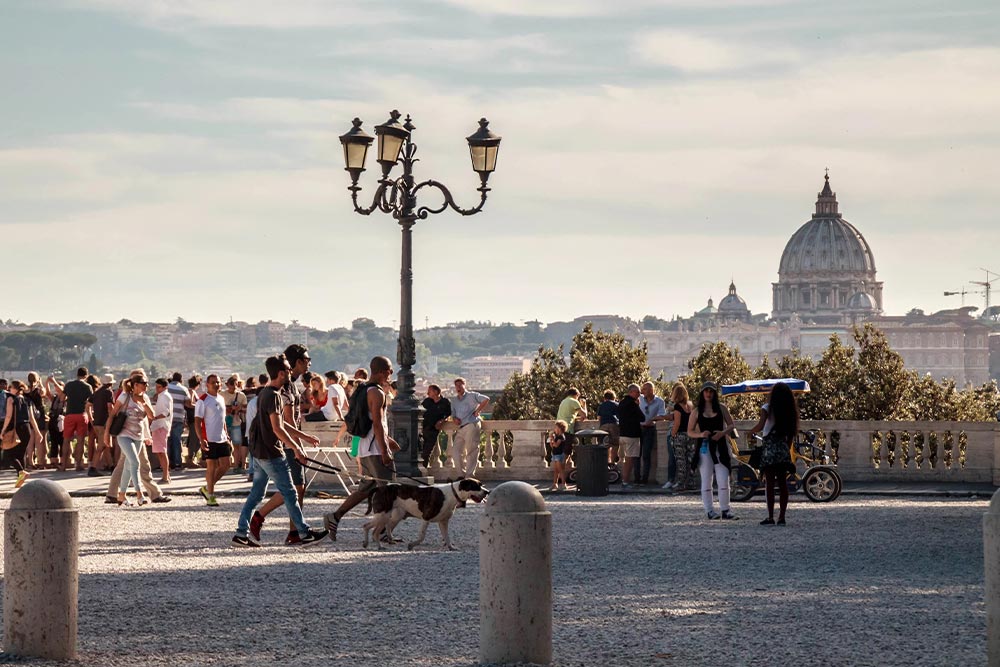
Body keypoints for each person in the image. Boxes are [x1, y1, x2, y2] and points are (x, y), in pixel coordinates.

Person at [232, 355, 328, 547]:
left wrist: (305, 437)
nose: (290, 373)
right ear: (281, 373)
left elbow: (280, 424)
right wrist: (296, 449)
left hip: (259, 452)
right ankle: (303, 533)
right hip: (271, 453)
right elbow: (278, 428)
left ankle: (241, 534)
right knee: (290, 492)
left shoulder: (265, 394)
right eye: (288, 370)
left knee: (257, 494)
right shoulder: (274, 395)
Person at [322, 355, 399, 542]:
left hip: (365, 448)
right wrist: (384, 450)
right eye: (389, 371)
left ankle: (335, 517)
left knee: (365, 490)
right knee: (389, 491)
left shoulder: (363, 389)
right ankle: (381, 531)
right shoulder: (378, 393)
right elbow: (378, 424)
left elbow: (371, 422)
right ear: (381, 371)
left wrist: (387, 440)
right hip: (374, 450)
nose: (391, 374)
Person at [251, 344, 322, 545]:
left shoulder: (290, 384)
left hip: (284, 442)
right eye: (307, 359)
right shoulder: (286, 386)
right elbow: (286, 422)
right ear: (298, 361)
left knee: (294, 488)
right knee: (294, 488)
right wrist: (298, 445)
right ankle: (285, 528)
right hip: (285, 443)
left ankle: (292, 531)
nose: (309, 363)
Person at [749, 382, 799, 526]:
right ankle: (782, 516)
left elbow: (760, 425)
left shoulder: (767, 408)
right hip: (782, 448)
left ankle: (770, 516)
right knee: (783, 484)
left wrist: (750, 432)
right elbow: (790, 436)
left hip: (770, 448)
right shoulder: (789, 412)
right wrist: (786, 450)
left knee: (769, 484)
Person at [688, 381, 738, 520]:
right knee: (706, 479)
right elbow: (690, 431)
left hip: (720, 446)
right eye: (706, 391)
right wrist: (701, 434)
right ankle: (709, 509)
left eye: (711, 391)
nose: (708, 394)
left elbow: (731, 424)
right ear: (702, 393)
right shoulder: (697, 411)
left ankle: (725, 509)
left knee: (723, 478)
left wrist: (722, 433)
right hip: (704, 447)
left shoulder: (721, 408)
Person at [106, 373, 155, 506]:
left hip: (138, 436)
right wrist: (107, 434)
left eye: (147, 383)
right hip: (124, 435)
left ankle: (121, 495)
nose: (146, 386)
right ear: (135, 385)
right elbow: (112, 415)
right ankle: (140, 494)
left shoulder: (144, 397)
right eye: (144, 383)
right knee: (135, 462)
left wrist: (143, 403)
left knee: (129, 466)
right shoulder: (124, 396)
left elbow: (152, 416)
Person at [195, 374, 232, 507]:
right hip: (209, 438)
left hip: (221, 438)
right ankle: (211, 495)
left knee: (226, 465)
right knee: (211, 467)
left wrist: (227, 435)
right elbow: (197, 421)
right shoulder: (203, 400)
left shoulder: (221, 399)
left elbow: (222, 419)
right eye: (213, 382)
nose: (216, 384)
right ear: (207, 384)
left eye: (218, 382)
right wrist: (201, 439)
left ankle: (206, 487)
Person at [52, 367, 93, 471]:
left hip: (69, 415)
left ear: (77, 374)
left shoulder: (69, 384)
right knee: (81, 440)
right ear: (86, 375)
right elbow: (91, 401)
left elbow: (62, 398)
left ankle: (63, 465)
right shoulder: (88, 386)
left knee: (66, 440)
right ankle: (78, 464)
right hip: (81, 414)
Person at [1, 380, 42, 485]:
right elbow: (32, 418)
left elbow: (9, 416)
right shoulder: (27, 400)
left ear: (14, 388)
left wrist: (3, 430)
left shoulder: (11, 399)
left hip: (16, 428)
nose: (9, 389)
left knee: (8, 454)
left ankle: (21, 472)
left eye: (10, 387)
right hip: (27, 428)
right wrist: (37, 432)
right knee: (21, 454)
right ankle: (21, 480)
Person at [451, 377, 490, 477]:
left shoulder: (472, 395)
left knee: (471, 451)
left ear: (465, 385)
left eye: (460, 385)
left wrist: (478, 411)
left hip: (471, 425)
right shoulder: (454, 400)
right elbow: (453, 414)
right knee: (455, 452)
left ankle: (469, 476)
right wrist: (454, 419)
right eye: (457, 385)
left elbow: (486, 399)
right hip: (460, 428)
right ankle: (461, 475)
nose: (458, 387)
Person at [664, 383, 695, 491]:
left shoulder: (677, 406)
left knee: (681, 460)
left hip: (680, 435)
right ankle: (690, 482)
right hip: (690, 435)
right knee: (690, 460)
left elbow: (677, 423)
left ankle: (680, 483)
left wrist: (673, 435)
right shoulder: (690, 406)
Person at [638, 382, 667, 485]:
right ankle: (637, 477)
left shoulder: (659, 401)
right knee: (636, 454)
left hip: (650, 429)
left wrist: (652, 420)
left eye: (645, 389)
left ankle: (645, 478)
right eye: (643, 389)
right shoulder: (639, 399)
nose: (643, 391)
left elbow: (662, 416)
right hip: (638, 428)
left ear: (651, 390)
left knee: (646, 454)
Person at [88, 374, 116, 474]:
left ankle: (112, 466)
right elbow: (110, 406)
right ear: (110, 383)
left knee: (105, 445)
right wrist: (113, 417)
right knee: (101, 446)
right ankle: (93, 467)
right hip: (104, 422)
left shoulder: (97, 392)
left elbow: (88, 405)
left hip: (97, 422)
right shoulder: (109, 392)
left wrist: (91, 418)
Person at [617, 384, 643, 489]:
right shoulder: (632, 404)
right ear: (631, 392)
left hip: (622, 434)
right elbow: (642, 417)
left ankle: (624, 480)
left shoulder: (621, 403)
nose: (639, 394)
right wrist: (637, 405)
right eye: (638, 392)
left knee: (624, 459)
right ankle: (625, 482)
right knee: (629, 460)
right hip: (632, 435)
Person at [420, 384, 451, 468]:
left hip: (433, 430)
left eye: (429, 391)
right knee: (420, 450)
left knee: (426, 452)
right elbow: (420, 412)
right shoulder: (427, 402)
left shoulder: (445, 402)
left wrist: (442, 421)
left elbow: (449, 414)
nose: (427, 393)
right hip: (423, 428)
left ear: (436, 392)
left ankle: (423, 469)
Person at [221, 375, 248, 473]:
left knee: (237, 445)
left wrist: (239, 409)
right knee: (225, 445)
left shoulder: (241, 396)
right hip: (225, 422)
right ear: (227, 385)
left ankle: (237, 465)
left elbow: (246, 409)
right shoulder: (222, 395)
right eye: (231, 385)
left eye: (235, 385)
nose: (233, 387)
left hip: (236, 422)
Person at [150, 378, 173, 484]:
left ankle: (165, 476)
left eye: (159, 387)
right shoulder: (162, 396)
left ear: (165, 387)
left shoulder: (164, 396)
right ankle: (166, 475)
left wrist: (154, 418)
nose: (157, 389)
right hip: (159, 426)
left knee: (162, 452)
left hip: (161, 425)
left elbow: (165, 412)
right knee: (160, 452)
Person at [165, 372, 188, 471]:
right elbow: (188, 403)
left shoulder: (166, 388)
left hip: (167, 417)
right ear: (181, 379)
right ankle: (178, 463)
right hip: (178, 417)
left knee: (167, 440)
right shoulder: (183, 389)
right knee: (176, 440)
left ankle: (168, 463)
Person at [596, 390, 619, 467]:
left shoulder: (601, 405)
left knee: (604, 444)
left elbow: (599, 418)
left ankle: (605, 461)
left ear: (605, 398)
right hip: (613, 424)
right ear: (613, 397)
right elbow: (620, 416)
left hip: (603, 425)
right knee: (615, 444)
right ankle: (612, 462)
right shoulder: (616, 404)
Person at [547, 419, 570, 491]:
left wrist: (553, 440)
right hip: (555, 454)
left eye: (556, 428)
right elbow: (552, 446)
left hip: (559, 455)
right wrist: (551, 439)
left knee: (560, 470)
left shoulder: (561, 437)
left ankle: (564, 484)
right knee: (556, 470)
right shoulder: (557, 436)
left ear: (560, 429)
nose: (555, 429)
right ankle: (555, 484)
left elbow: (556, 445)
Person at [185, 375, 201, 467]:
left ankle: (191, 458)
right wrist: (200, 406)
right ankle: (190, 459)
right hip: (193, 419)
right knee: (194, 439)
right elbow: (189, 404)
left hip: (192, 418)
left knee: (194, 438)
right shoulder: (191, 391)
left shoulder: (190, 391)